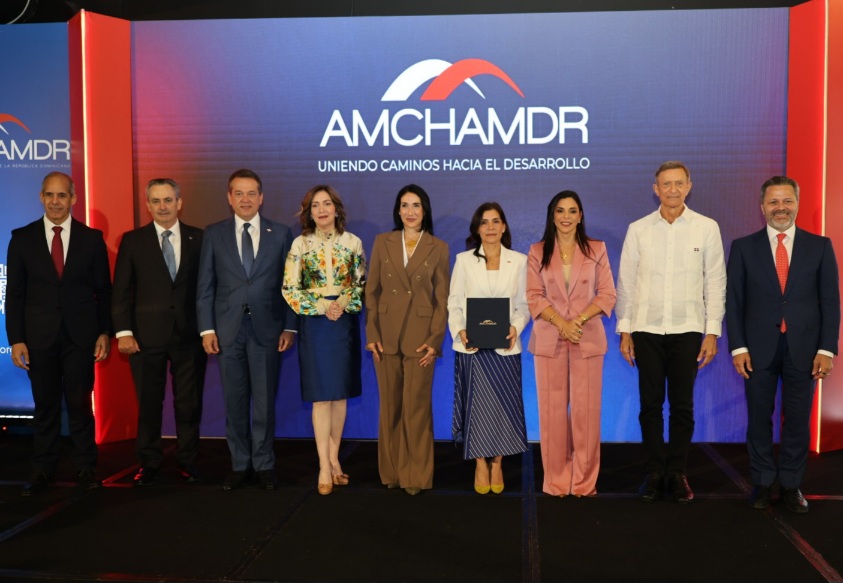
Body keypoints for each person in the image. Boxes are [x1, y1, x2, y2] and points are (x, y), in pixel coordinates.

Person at [726, 175, 840, 513]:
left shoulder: (820, 246)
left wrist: (826, 349)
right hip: (756, 349)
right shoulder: (743, 247)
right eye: (773, 201)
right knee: (759, 418)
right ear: (762, 206)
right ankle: (762, 483)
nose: (781, 208)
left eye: (787, 201)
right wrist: (738, 347)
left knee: (798, 420)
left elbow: (830, 302)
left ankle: (791, 485)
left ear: (797, 204)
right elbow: (734, 302)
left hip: (805, 350)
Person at [616, 161, 726, 504]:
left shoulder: (706, 228)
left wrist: (712, 332)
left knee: (682, 406)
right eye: (666, 184)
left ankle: (677, 472)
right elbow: (626, 283)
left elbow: (715, 282)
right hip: (646, 328)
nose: (673, 190)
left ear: (689, 186)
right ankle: (654, 472)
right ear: (656, 189)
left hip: (688, 329)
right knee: (649, 406)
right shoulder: (638, 229)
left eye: (679, 183)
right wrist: (625, 330)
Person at [6, 171, 112, 496]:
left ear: (73, 199)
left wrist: (104, 332)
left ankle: (86, 468)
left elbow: (103, 292)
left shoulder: (91, 239)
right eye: (50, 195)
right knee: (45, 406)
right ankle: (43, 470)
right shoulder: (21, 238)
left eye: (62, 195)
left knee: (80, 405)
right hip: (39, 338)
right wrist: (16, 339)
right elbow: (15, 295)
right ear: (41, 197)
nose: (55, 201)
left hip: (81, 337)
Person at [196, 169, 298, 491]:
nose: (245, 199)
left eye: (251, 193)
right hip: (227, 332)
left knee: (264, 403)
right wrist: (207, 329)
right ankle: (240, 465)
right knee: (235, 402)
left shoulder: (280, 233)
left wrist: (290, 327)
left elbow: (290, 286)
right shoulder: (214, 233)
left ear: (261, 197)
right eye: (238, 193)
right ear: (229, 198)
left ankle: (264, 464)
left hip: (268, 330)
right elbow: (205, 286)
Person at [112, 178, 206, 486]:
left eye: (168, 200)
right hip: (144, 336)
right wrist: (123, 332)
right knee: (149, 404)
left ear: (179, 203)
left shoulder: (199, 238)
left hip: (189, 335)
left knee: (189, 403)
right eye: (156, 201)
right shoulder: (133, 241)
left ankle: (187, 461)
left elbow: (208, 288)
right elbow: (121, 290)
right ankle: (148, 463)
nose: (162, 206)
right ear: (148, 205)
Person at [526, 191, 616, 498]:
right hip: (549, 338)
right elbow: (534, 296)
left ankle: (584, 482)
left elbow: (607, 294)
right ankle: (556, 481)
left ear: (580, 216)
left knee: (585, 412)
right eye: (560, 211)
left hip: (586, 337)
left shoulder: (597, 249)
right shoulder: (537, 251)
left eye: (572, 211)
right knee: (551, 413)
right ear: (552, 215)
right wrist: (561, 323)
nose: (566, 216)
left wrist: (577, 321)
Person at [365, 184, 450, 496]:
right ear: (397, 211)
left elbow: (442, 299)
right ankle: (391, 473)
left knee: (416, 409)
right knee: (390, 408)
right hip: (385, 337)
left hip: (420, 338)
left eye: (416, 205)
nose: (410, 211)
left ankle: (416, 475)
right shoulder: (382, 242)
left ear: (424, 210)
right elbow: (371, 292)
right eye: (405, 205)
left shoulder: (438, 247)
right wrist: (372, 333)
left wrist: (435, 339)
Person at [282, 185, 366, 495]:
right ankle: (323, 465)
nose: (321, 210)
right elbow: (290, 289)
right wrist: (320, 306)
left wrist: (342, 302)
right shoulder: (300, 244)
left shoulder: (353, 242)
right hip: (315, 324)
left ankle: (334, 459)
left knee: (339, 395)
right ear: (309, 212)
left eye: (326, 203)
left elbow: (361, 283)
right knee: (321, 397)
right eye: (315, 205)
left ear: (336, 208)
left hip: (343, 323)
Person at [448, 202, 529, 495]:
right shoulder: (463, 260)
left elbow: (524, 304)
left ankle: (498, 462)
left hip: (505, 347)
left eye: (496, 221)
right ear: (477, 228)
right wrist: (460, 329)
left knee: (503, 408)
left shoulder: (519, 261)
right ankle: (480, 462)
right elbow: (454, 301)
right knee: (477, 408)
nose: (491, 227)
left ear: (504, 226)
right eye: (485, 222)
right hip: (473, 347)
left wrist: (516, 327)